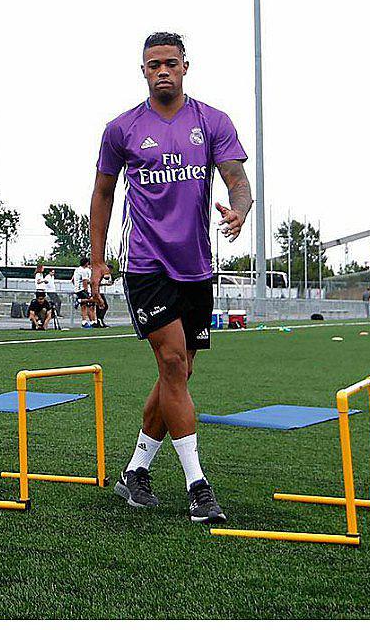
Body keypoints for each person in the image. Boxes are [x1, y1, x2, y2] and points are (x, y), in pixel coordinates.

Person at [90, 31, 251, 524]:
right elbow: (101, 194)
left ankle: (135, 472)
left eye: (170, 63)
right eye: (153, 64)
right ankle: (198, 486)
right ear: (143, 71)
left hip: (197, 268)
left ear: (186, 66)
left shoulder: (212, 121)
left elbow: (238, 182)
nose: (162, 70)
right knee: (174, 362)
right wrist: (96, 260)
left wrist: (240, 211)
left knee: (176, 373)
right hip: (145, 266)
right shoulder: (122, 129)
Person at [72, 256, 94, 328]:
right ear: (86, 263)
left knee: (84, 306)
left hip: (77, 289)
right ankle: (79, 300)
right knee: (92, 300)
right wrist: (86, 291)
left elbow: (72, 279)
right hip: (81, 290)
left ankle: (84, 322)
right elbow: (85, 282)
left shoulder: (77, 269)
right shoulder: (84, 270)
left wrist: (76, 286)